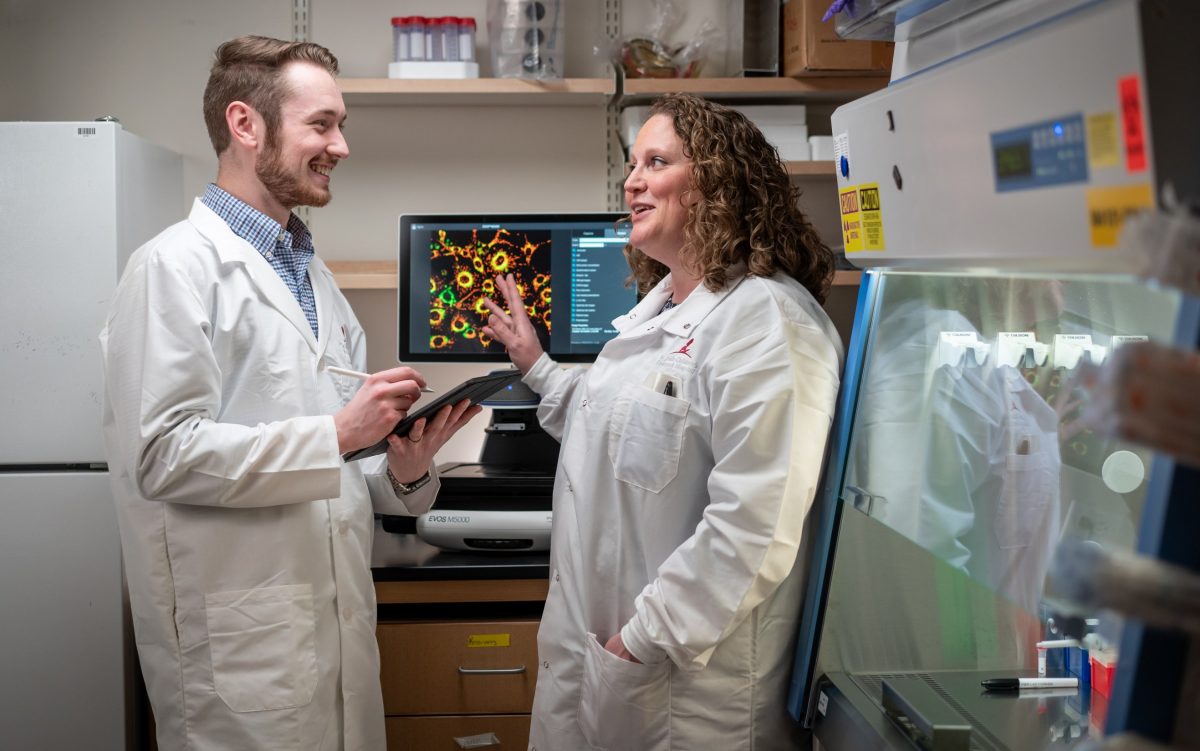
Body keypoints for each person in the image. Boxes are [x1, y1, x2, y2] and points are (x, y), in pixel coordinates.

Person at [100, 36, 479, 750]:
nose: (340, 145)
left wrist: (402, 466)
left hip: (331, 638)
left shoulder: (312, 277)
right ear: (246, 125)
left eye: (341, 126)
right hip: (241, 654)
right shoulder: (172, 270)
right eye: (322, 124)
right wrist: (340, 432)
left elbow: (332, 472)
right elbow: (161, 454)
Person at [482, 93, 844, 751]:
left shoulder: (766, 322)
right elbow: (612, 425)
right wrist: (534, 364)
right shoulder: (657, 315)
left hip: (684, 690)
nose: (632, 179)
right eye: (631, 162)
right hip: (605, 665)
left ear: (715, 182)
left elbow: (754, 525)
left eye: (656, 160)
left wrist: (641, 640)